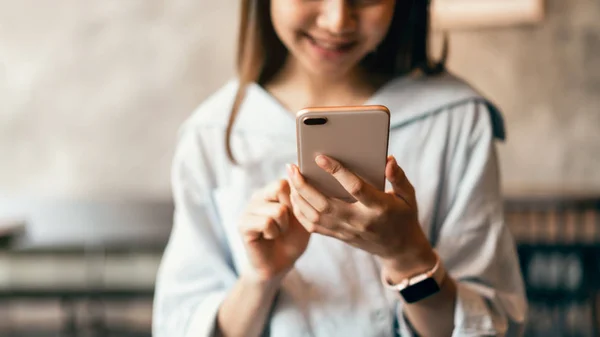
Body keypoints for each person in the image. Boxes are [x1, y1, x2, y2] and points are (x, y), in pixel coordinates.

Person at [153, 0, 527, 336]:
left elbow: (490, 327)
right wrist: (260, 278)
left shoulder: (456, 119)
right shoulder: (212, 134)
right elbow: (181, 323)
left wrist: (407, 255)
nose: (337, 20)